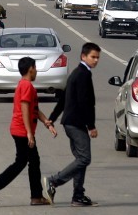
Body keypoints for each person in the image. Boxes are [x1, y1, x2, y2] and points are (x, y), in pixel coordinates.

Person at [0, 57, 57, 207]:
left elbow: (33, 109)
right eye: (35, 68)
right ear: (30, 69)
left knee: (31, 162)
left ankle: (36, 196)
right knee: (23, 162)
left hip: (21, 129)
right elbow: (24, 109)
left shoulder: (25, 85)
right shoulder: (26, 86)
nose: (36, 71)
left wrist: (46, 122)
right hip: (22, 131)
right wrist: (29, 133)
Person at [44, 43, 101, 208]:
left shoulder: (77, 73)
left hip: (70, 122)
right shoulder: (82, 75)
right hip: (76, 123)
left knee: (80, 160)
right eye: (93, 57)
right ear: (83, 56)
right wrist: (91, 126)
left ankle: (78, 196)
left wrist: (52, 118)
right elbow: (85, 103)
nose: (96, 60)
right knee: (84, 158)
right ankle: (54, 181)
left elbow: (63, 99)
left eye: (97, 57)